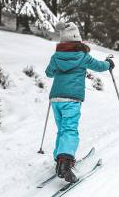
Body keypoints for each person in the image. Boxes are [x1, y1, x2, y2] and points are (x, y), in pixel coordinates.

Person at [45, 22, 114, 183]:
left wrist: (56, 68)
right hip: (72, 99)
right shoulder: (83, 57)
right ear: (77, 40)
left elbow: (49, 73)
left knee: (62, 129)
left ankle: (60, 160)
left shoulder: (56, 57)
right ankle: (66, 163)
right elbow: (100, 66)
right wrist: (109, 63)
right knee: (70, 129)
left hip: (55, 99)